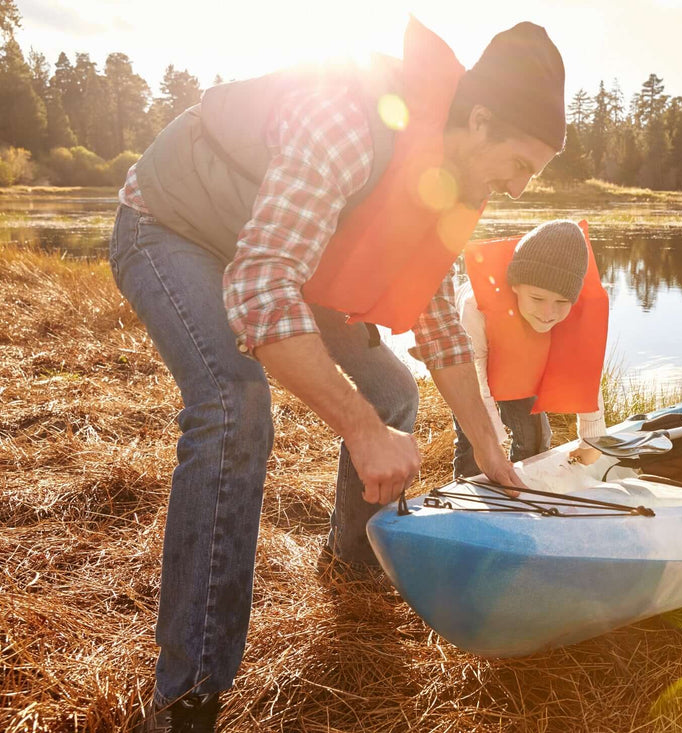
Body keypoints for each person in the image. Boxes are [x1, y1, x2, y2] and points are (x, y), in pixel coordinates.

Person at [109, 16, 566, 731]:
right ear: (480, 121)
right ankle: (186, 697)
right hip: (176, 228)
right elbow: (259, 289)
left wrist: (489, 444)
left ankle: (353, 567)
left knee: (393, 391)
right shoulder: (348, 123)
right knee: (234, 405)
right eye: (520, 167)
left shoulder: (454, 182)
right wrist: (359, 430)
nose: (515, 189)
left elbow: (442, 327)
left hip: (274, 251)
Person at [454, 219, 609, 478]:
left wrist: (592, 440)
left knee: (535, 438)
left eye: (561, 301)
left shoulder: (571, 311)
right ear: (515, 285)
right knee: (474, 444)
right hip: (474, 368)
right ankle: (466, 498)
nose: (549, 313)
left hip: (519, 366)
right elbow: (474, 376)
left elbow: (585, 371)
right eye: (537, 298)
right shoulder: (475, 307)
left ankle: (523, 493)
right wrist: (490, 443)